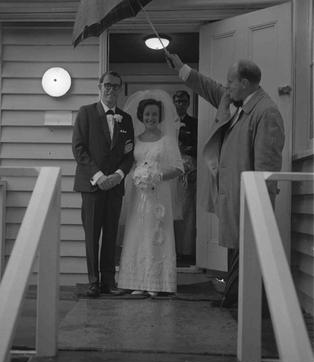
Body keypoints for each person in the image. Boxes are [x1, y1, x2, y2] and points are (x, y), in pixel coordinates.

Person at [166, 52, 285, 307]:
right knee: (236, 247)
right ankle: (234, 298)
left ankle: (252, 307)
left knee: (250, 251)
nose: (227, 87)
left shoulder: (266, 112)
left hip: (251, 198)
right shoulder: (237, 101)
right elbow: (210, 88)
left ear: (244, 82)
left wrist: (261, 204)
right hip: (232, 193)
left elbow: (267, 166)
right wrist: (181, 67)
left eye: (230, 81)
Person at [72, 71, 135, 298]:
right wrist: (99, 177)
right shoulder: (86, 113)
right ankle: (93, 282)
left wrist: (118, 175)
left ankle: (109, 281)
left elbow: (129, 155)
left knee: (110, 234)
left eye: (116, 86)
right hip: (92, 185)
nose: (111, 90)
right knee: (92, 235)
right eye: (107, 85)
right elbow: (79, 149)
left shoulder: (126, 119)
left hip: (115, 186)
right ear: (99, 87)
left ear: (120, 90)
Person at [117, 90, 184, 297]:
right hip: (138, 194)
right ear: (141, 116)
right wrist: (138, 176)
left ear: (159, 116)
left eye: (154, 114)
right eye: (147, 114)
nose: (151, 118)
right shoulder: (135, 140)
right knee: (137, 231)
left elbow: (178, 168)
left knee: (157, 233)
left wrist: (157, 175)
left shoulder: (167, 141)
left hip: (159, 195)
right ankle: (137, 280)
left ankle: (157, 283)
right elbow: (128, 164)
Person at [173, 90, 198, 263]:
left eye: (183, 101)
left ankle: (186, 250)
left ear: (188, 103)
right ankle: (172, 248)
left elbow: (198, 144)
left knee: (187, 211)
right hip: (170, 170)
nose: (180, 104)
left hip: (188, 170)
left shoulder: (194, 123)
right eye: (177, 100)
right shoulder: (166, 122)